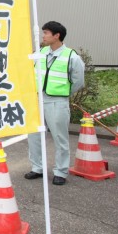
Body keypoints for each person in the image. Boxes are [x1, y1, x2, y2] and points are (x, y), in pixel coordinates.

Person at [25, 21, 85, 186]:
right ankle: (37, 168)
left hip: (57, 102)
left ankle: (60, 171)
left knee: (60, 137)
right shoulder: (40, 52)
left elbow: (78, 81)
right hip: (38, 100)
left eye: (46, 33)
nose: (43, 36)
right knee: (34, 136)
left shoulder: (71, 56)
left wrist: (63, 93)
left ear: (57, 36)